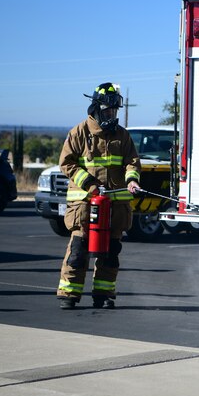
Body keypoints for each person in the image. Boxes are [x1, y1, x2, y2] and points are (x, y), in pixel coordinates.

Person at [56, 82, 141, 310]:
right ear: (96, 108)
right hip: (85, 205)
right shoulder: (80, 132)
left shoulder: (122, 136)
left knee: (111, 252)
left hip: (116, 206)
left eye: (114, 111)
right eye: (107, 111)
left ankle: (103, 294)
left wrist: (132, 180)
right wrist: (91, 185)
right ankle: (69, 294)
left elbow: (132, 162)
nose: (111, 115)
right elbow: (67, 163)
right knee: (78, 250)